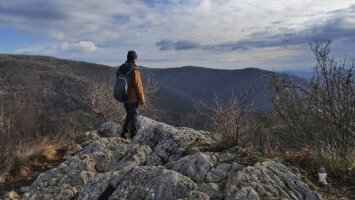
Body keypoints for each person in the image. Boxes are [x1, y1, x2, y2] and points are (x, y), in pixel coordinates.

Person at [116, 51, 145, 139]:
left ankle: (124, 133)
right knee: (134, 118)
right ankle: (134, 136)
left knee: (129, 115)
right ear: (135, 58)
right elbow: (138, 86)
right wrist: (142, 99)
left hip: (123, 96)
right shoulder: (134, 70)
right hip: (133, 98)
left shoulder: (121, 68)